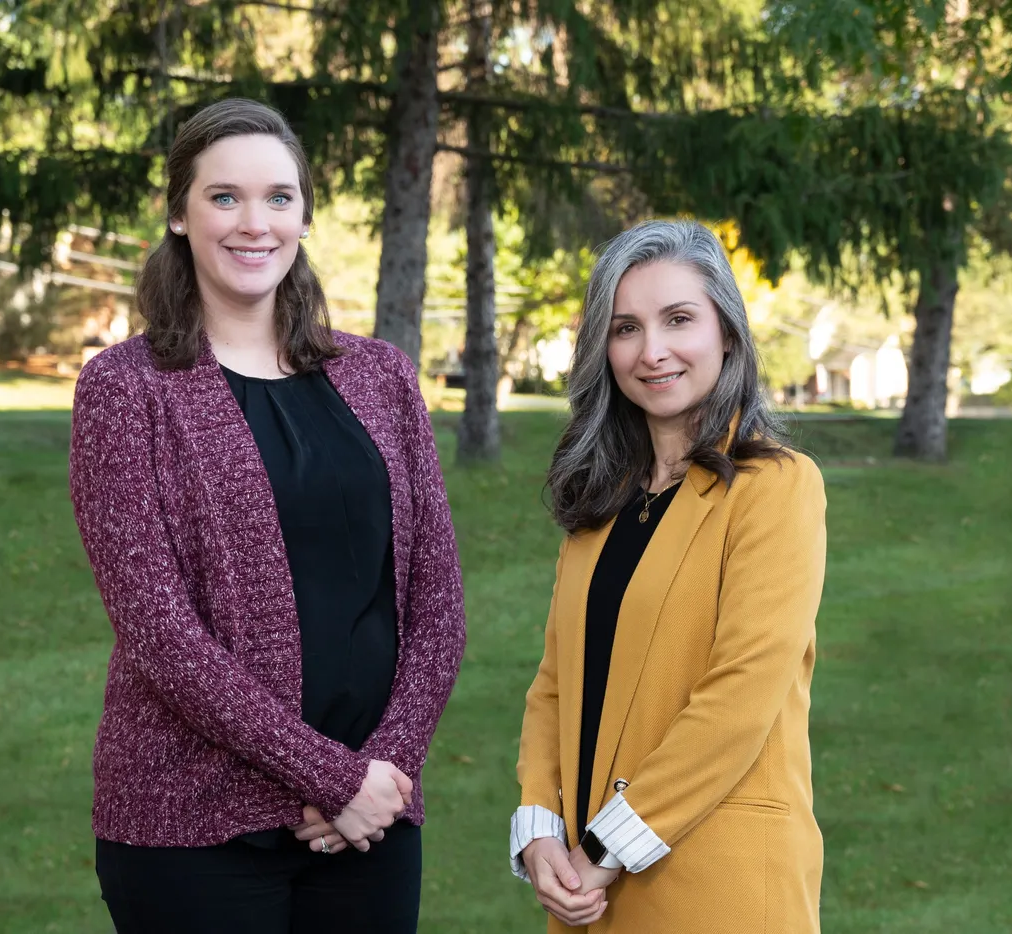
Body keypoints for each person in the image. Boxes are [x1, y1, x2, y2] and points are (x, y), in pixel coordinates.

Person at [68, 98, 466, 933]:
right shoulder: (124, 389)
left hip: (369, 823)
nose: (255, 223)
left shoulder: (382, 378)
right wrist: (333, 778)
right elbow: (158, 632)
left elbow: (437, 603)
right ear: (178, 215)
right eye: (225, 197)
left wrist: (386, 768)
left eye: (279, 198)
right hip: (193, 825)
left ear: (305, 216)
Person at [510, 220, 827, 932]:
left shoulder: (776, 487)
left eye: (678, 319)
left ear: (728, 335)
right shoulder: (601, 501)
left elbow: (742, 691)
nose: (651, 351)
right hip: (588, 894)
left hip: (718, 885)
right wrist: (538, 830)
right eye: (625, 328)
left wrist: (606, 847)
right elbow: (554, 684)